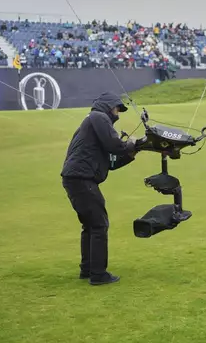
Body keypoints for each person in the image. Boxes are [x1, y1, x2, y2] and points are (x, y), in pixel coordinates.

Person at [61, 91, 139, 285]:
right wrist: (131, 144)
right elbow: (115, 146)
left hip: (76, 178)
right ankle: (98, 274)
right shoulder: (98, 116)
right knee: (99, 224)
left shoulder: (94, 124)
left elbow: (111, 162)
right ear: (107, 105)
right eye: (116, 109)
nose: (118, 114)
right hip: (82, 179)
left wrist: (131, 152)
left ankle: (87, 269)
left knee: (90, 225)